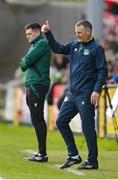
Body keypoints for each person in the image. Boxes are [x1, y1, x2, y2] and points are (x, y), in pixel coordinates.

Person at [41, 20, 108, 169]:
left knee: (87, 127)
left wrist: (97, 90)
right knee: (61, 121)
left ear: (88, 32)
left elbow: (103, 71)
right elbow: (57, 48)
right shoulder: (74, 45)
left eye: (79, 32)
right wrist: (48, 33)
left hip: (86, 94)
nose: (76, 34)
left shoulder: (97, 49)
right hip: (72, 94)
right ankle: (73, 155)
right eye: (76, 32)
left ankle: (92, 161)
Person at [20, 23, 51, 162]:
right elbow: (24, 65)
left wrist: (26, 61)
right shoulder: (34, 45)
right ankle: (41, 153)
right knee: (36, 118)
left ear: (38, 33)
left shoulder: (42, 44)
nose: (27, 36)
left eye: (29, 34)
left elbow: (26, 62)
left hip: (37, 85)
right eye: (26, 34)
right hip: (31, 84)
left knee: (37, 118)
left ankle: (42, 154)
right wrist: (25, 62)